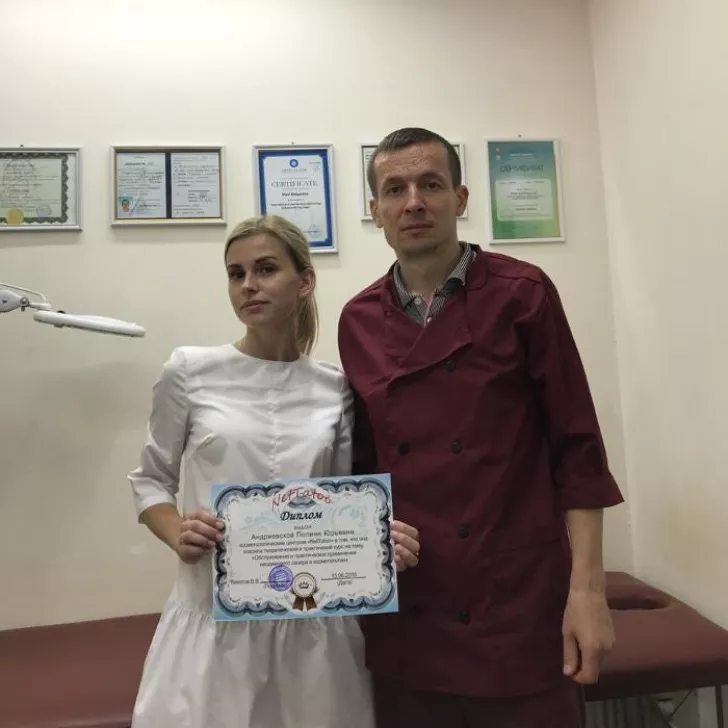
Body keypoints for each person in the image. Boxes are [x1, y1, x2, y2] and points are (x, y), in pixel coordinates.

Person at [337, 128, 625, 728]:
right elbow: (361, 468)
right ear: (376, 210)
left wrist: (588, 593)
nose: (414, 202)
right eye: (395, 189)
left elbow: (577, 452)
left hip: (516, 603)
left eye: (431, 184)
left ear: (460, 198)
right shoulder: (356, 319)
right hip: (410, 612)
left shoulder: (523, 294)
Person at [127, 214, 420, 728]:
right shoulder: (189, 371)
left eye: (265, 269)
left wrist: (378, 542)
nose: (248, 285)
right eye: (235, 273)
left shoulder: (334, 387)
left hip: (313, 626)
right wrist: (179, 533)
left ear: (304, 281)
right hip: (213, 620)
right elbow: (150, 479)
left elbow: (341, 499)